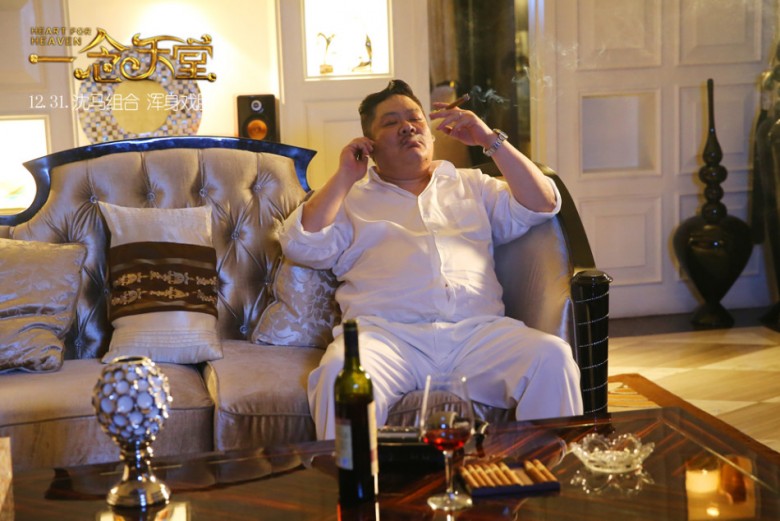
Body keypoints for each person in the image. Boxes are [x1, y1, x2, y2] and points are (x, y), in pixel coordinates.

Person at [280, 79, 583, 440]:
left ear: (431, 133)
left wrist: (489, 139)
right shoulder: (351, 199)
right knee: (338, 375)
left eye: (415, 119)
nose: (407, 127)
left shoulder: (472, 185)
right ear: (369, 146)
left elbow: (544, 203)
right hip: (387, 338)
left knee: (552, 357)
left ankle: (543, 471)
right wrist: (345, 175)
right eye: (390, 122)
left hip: (478, 334)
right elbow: (300, 244)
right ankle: (355, 477)